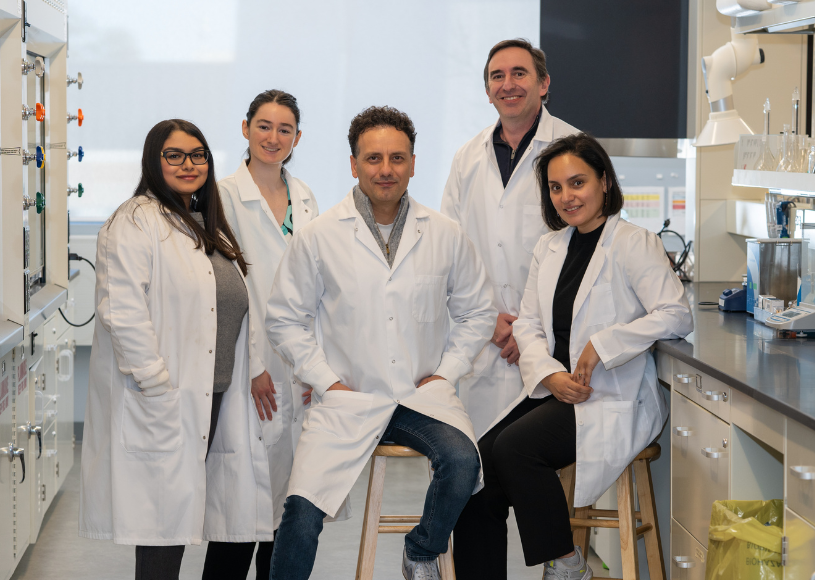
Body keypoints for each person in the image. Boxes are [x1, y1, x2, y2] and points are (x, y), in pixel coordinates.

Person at [264, 106, 497, 580]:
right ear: (353, 164)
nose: (385, 170)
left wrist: (447, 372)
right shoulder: (319, 237)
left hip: (420, 397)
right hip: (347, 398)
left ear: (414, 163)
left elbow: (477, 312)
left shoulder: (445, 235)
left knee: (462, 460)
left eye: (396, 158)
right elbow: (286, 319)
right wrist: (326, 380)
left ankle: (421, 549)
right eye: (373, 158)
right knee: (301, 515)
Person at [453, 133, 694, 579]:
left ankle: (565, 565)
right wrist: (548, 376)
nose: (567, 196)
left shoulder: (633, 243)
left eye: (577, 183)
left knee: (515, 448)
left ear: (604, 180)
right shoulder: (551, 246)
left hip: (607, 395)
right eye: (556, 187)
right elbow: (527, 324)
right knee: (473, 470)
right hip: (557, 390)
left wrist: (604, 344)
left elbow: (676, 315)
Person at [79, 119, 273, 580]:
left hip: (213, 394)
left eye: (198, 155)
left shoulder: (207, 226)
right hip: (166, 399)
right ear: (153, 160)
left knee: (181, 518)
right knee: (162, 526)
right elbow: (122, 311)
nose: (189, 165)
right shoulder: (135, 221)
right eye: (175, 155)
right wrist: (157, 383)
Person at [441, 38, 579, 438]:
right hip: (485, 336)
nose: (508, 84)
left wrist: (530, 329)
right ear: (487, 91)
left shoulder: (573, 149)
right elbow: (450, 249)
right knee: (481, 468)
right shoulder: (468, 157)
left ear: (543, 84)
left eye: (520, 73)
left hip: (549, 340)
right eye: (497, 76)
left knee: (532, 468)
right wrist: (486, 319)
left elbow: (586, 250)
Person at [213, 89, 319, 580]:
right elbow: (231, 288)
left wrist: (314, 365)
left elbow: (315, 284)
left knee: (282, 508)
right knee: (240, 507)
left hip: (296, 361)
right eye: (264, 126)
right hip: (245, 365)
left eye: (284, 129)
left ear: (297, 137)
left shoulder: (305, 196)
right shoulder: (224, 196)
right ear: (245, 129)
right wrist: (254, 364)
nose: (273, 138)